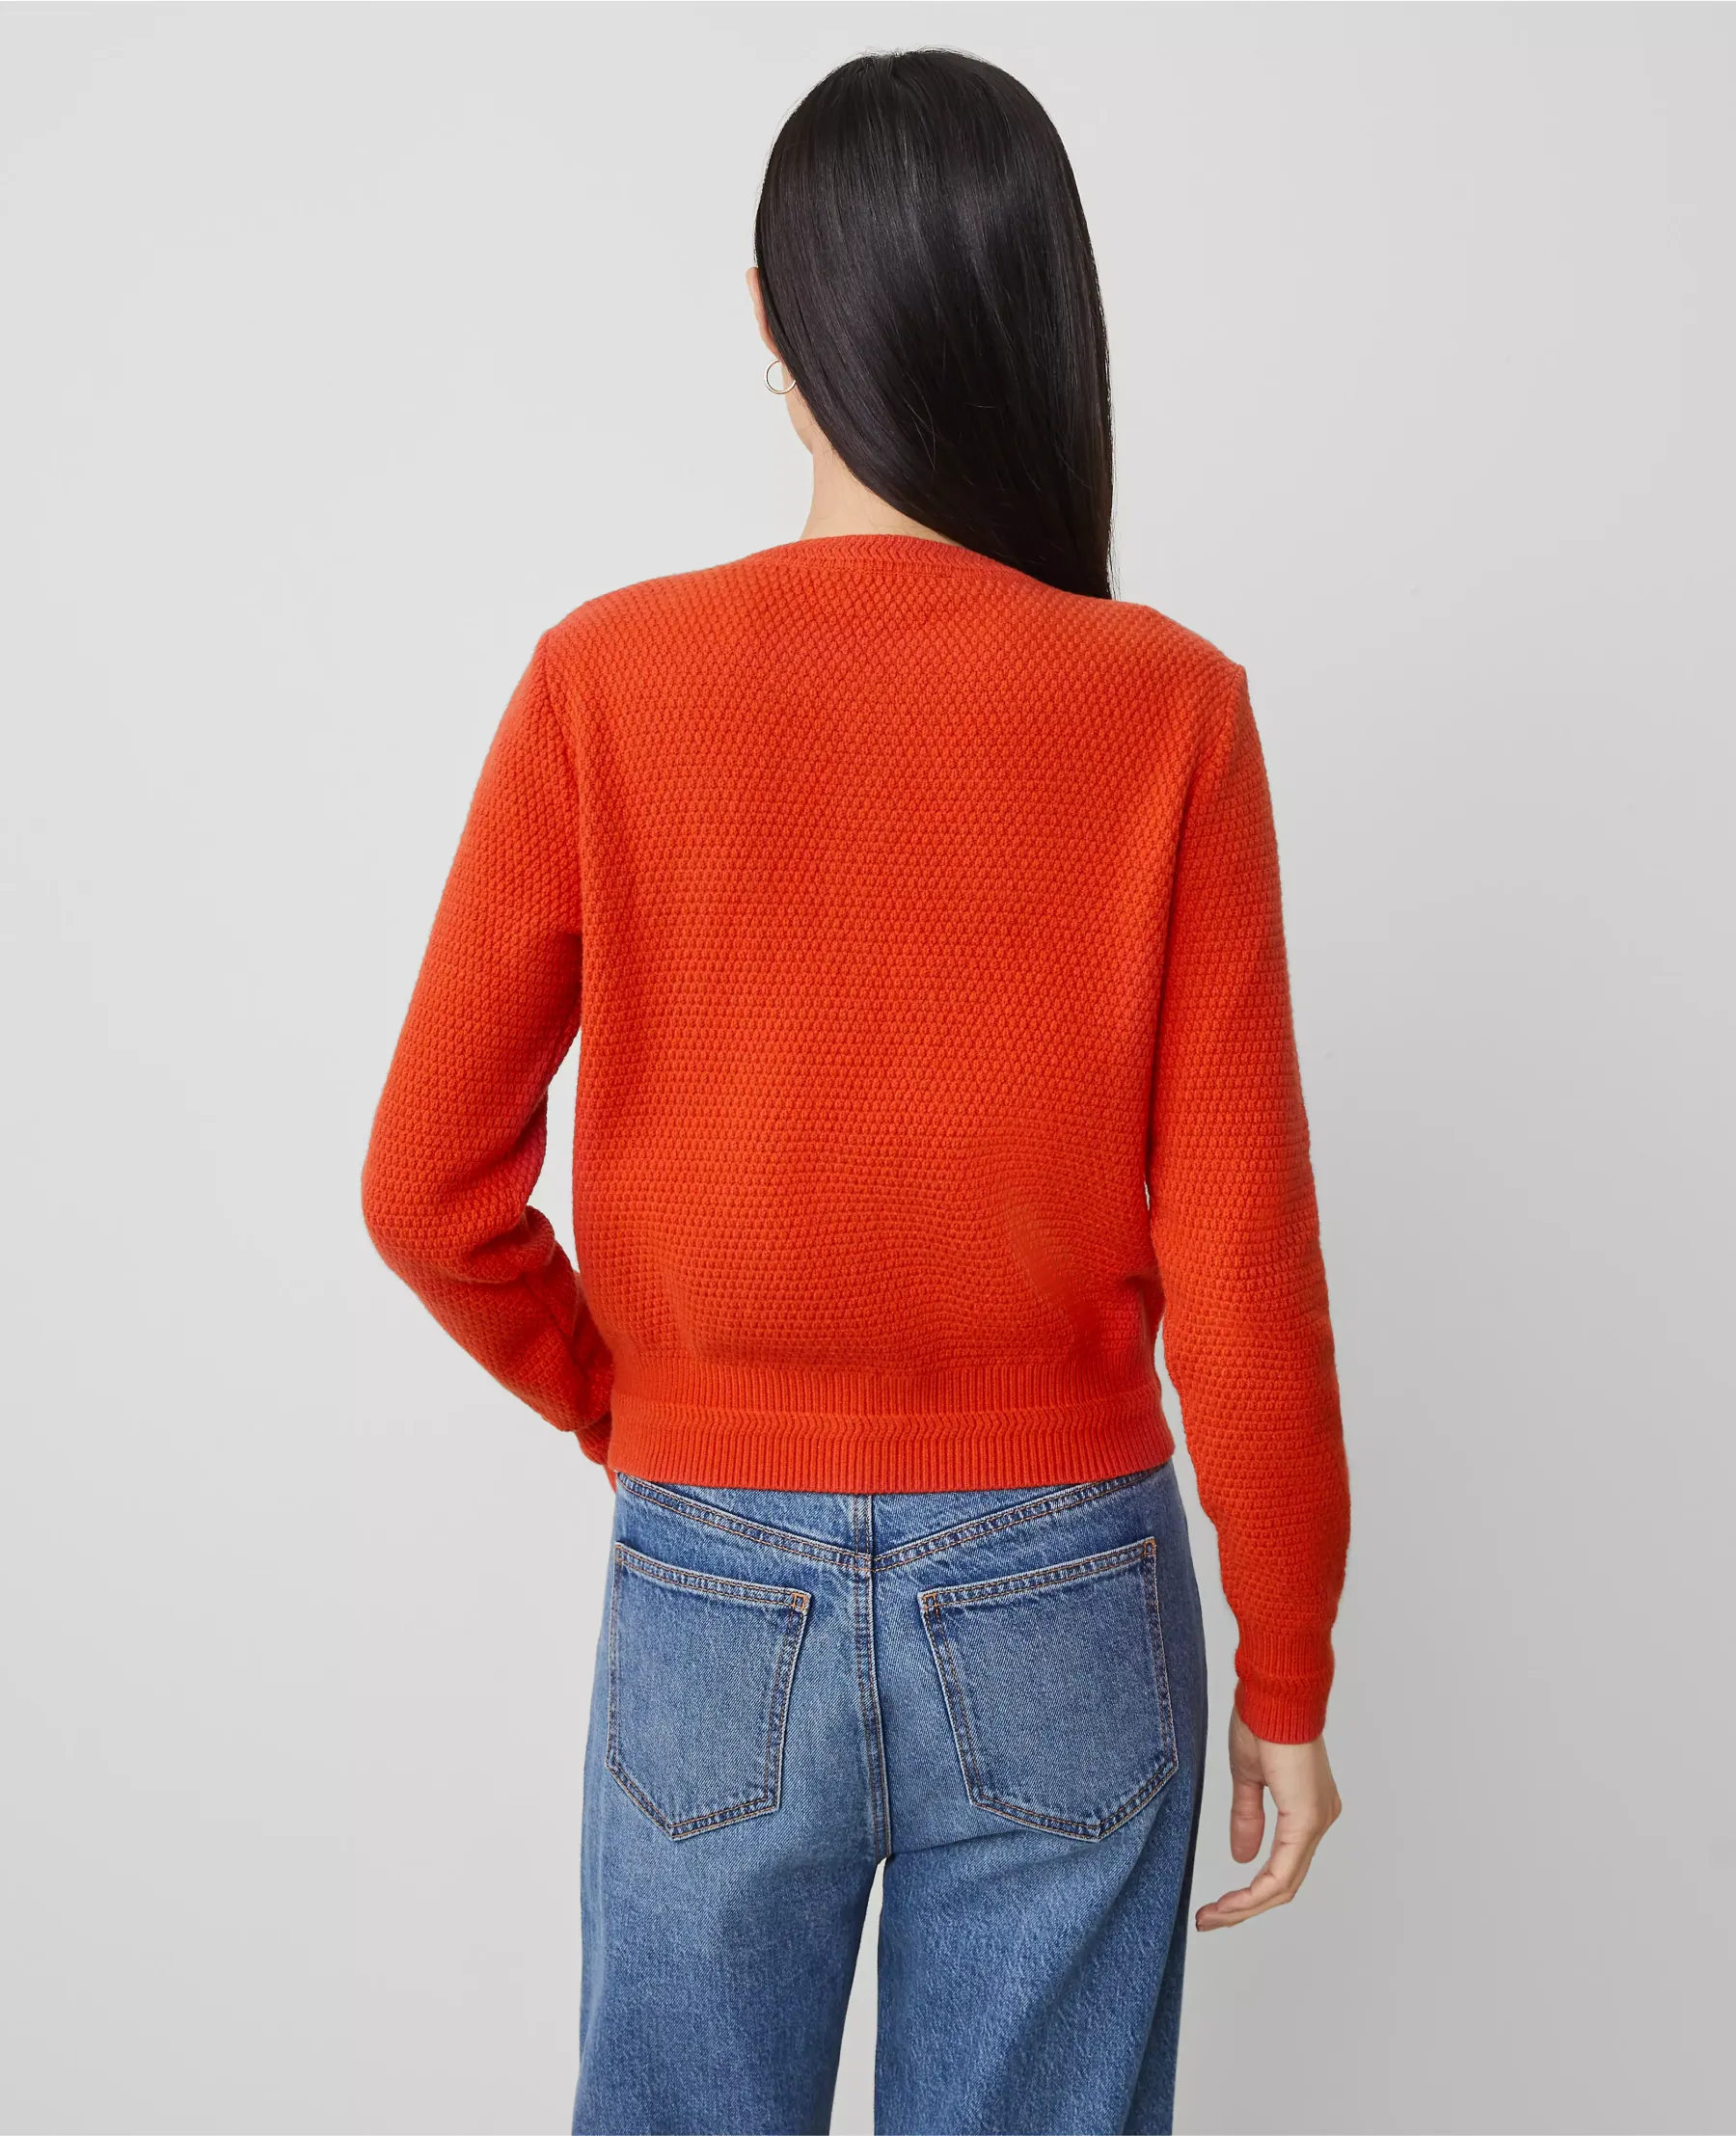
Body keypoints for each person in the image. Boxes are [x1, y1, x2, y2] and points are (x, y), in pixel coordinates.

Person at [361, 45, 1349, 2136]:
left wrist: (633, 1408)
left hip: (712, 1570)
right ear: (1041, 322)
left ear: (768, 316)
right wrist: (1287, 1664)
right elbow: (1245, 1253)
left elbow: (424, 1187)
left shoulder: (606, 680)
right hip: (1068, 1583)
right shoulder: (1169, 709)